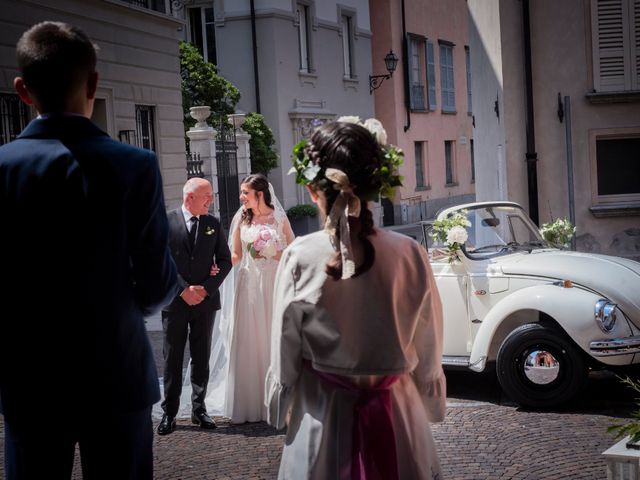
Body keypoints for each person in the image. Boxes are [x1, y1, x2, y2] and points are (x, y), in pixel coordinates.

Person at [0, 21, 178, 480]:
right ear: (95, 83)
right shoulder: (135, 166)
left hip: (29, 377)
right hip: (117, 369)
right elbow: (158, 283)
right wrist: (120, 307)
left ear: (23, 89)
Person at [266, 120, 446, 479]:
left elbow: (284, 350)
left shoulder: (300, 257)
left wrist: (279, 407)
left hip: (322, 419)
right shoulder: (410, 253)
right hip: (399, 417)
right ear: (376, 184)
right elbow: (429, 345)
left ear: (311, 187)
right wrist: (432, 401)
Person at [196, 173, 295, 424]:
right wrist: (215, 266)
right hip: (249, 285)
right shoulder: (242, 217)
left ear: (259, 194)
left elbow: (293, 252)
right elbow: (236, 255)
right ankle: (250, 403)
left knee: (273, 339)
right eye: (241, 193)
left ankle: (278, 401)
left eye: (245, 193)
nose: (241, 197)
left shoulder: (279, 217)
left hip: (273, 284)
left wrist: (273, 251)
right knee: (250, 340)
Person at [157, 177, 232, 435]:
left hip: (204, 303)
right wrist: (182, 290)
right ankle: (169, 413)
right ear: (189, 197)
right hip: (175, 303)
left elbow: (224, 260)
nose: (210, 200)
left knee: (201, 358)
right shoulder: (166, 221)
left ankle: (199, 409)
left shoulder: (212, 223)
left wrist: (207, 288)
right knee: (172, 358)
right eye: (206, 196)